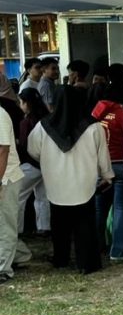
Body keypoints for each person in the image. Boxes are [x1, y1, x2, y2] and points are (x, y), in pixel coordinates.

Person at [27, 86, 113, 273]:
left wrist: (49, 161)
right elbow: (102, 155)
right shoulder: (93, 126)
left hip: (55, 181)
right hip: (84, 182)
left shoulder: (43, 126)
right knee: (84, 223)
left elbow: (32, 150)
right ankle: (87, 263)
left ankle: (61, 258)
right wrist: (107, 175)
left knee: (59, 223)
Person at [91, 85, 123, 263]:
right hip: (120, 165)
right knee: (121, 207)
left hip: (100, 166)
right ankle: (119, 249)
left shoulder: (95, 113)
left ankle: (96, 246)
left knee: (100, 208)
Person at [15, 88, 49, 236]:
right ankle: (44, 227)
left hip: (31, 164)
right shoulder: (47, 118)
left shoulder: (26, 122)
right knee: (42, 197)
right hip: (47, 165)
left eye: (21, 102)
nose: (20, 105)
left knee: (17, 195)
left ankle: (16, 229)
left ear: (26, 103)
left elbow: (24, 146)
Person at [0, 104, 25, 283]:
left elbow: (3, 150)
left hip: (6, 177)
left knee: (5, 224)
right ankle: (21, 255)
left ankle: (3, 269)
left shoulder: (0, 115)